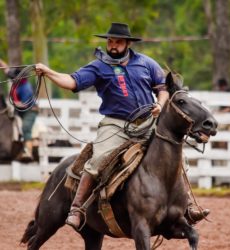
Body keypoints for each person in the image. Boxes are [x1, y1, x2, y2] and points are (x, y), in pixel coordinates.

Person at [35, 22, 209, 230]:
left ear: (127, 43)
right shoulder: (98, 67)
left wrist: (159, 105)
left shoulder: (146, 63)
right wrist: (48, 72)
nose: (113, 45)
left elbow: (163, 87)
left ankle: (187, 205)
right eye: (110, 41)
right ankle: (77, 208)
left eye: (117, 42)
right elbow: (72, 81)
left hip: (148, 121)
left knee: (178, 157)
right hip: (115, 124)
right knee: (98, 159)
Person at [0, 59, 38, 162]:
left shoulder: (26, 88)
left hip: (29, 111)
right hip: (19, 111)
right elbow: (6, 69)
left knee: (26, 127)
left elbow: (23, 105)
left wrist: (11, 102)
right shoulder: (17, 81)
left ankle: (28, 151)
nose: (12, 79)